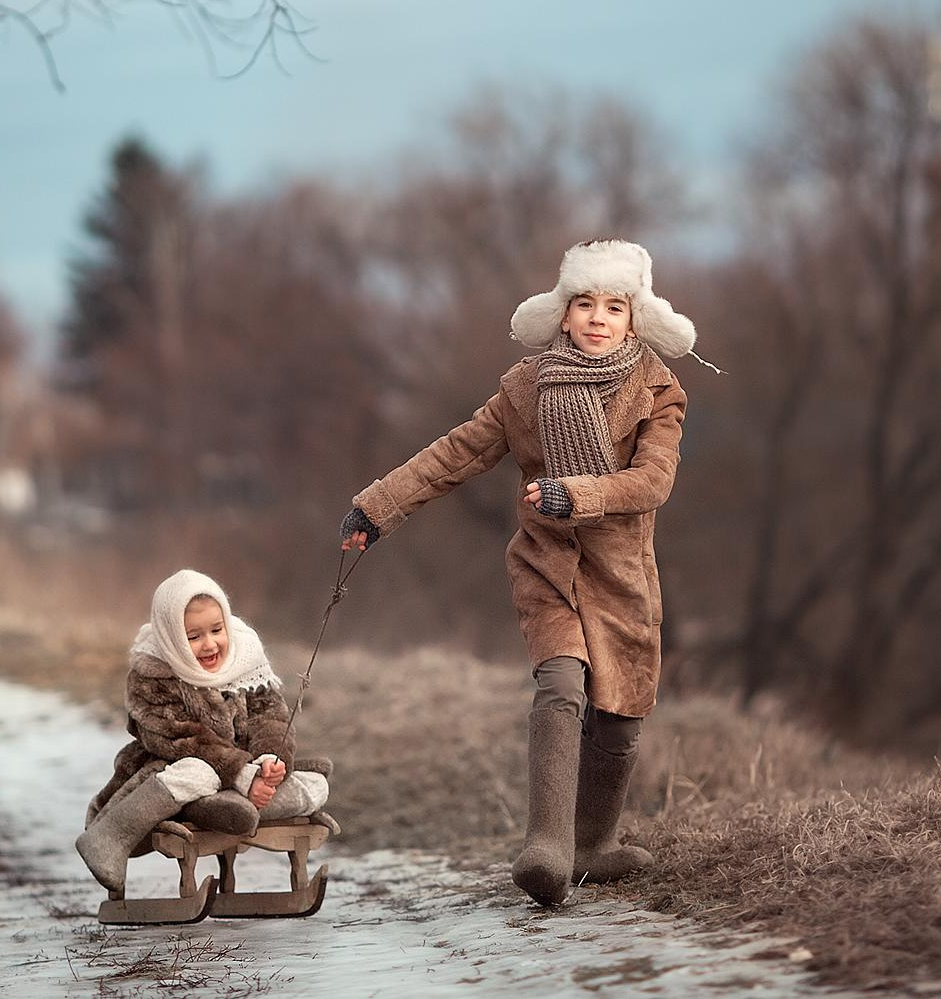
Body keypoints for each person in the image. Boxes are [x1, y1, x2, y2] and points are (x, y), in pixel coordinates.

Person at [339, 238, 697, 908]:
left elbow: (654, 481)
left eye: (613, 306)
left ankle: (592, 846)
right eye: (584, 303)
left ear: (633, 319)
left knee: (619, 720)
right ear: (563, 312)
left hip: (622, 574)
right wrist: (376, 508)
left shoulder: (658, 390)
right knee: (561, 684)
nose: (596, 317)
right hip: (547, 562)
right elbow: (454, 455)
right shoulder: (525, 388)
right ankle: (547, 849)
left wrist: (576, 494)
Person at [76, 568, 331, 893]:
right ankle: (110, 837)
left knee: (317, 785)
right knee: (199, 773)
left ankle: (221, 807)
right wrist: (243, 776)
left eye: (216, 630)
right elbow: (180, 739)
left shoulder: (244, 655)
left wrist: (269, 760)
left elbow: (269, 714)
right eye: (193, 637)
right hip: (177, 768)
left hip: (244, 771)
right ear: (172, 637)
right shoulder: (152, 673)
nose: (209, 644)